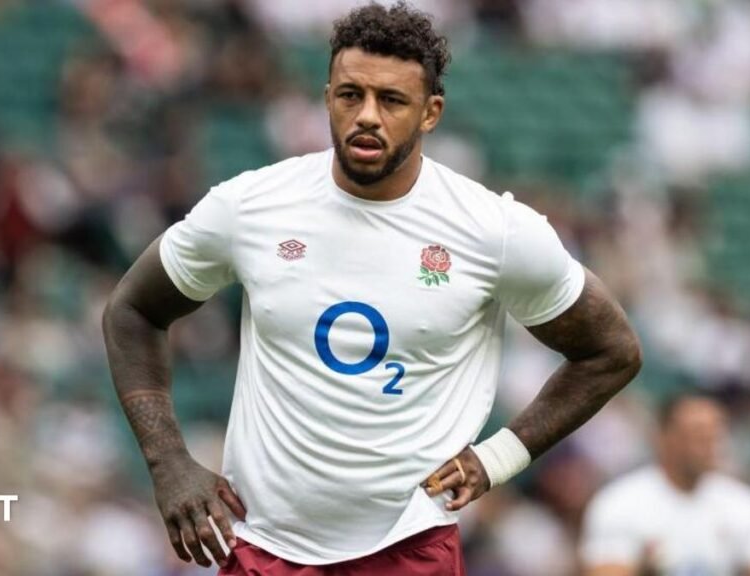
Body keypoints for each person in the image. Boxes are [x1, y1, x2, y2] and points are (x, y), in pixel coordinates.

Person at [102, 2, 642, 574]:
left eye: (391, 100)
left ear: (431, 112)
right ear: (326, 97)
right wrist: (168, 464)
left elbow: (611, 352)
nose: (366, 116)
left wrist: (499, 457)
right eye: (350, 95)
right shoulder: (252, 207)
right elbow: (132, 310)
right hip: (264, 547)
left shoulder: (494, 231)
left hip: (409, 547)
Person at [581, 394, 750, 576]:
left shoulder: (746, 504)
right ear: (664, 437)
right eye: (698, 434)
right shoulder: (619, 503)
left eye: (715, 434)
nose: (710, 444)